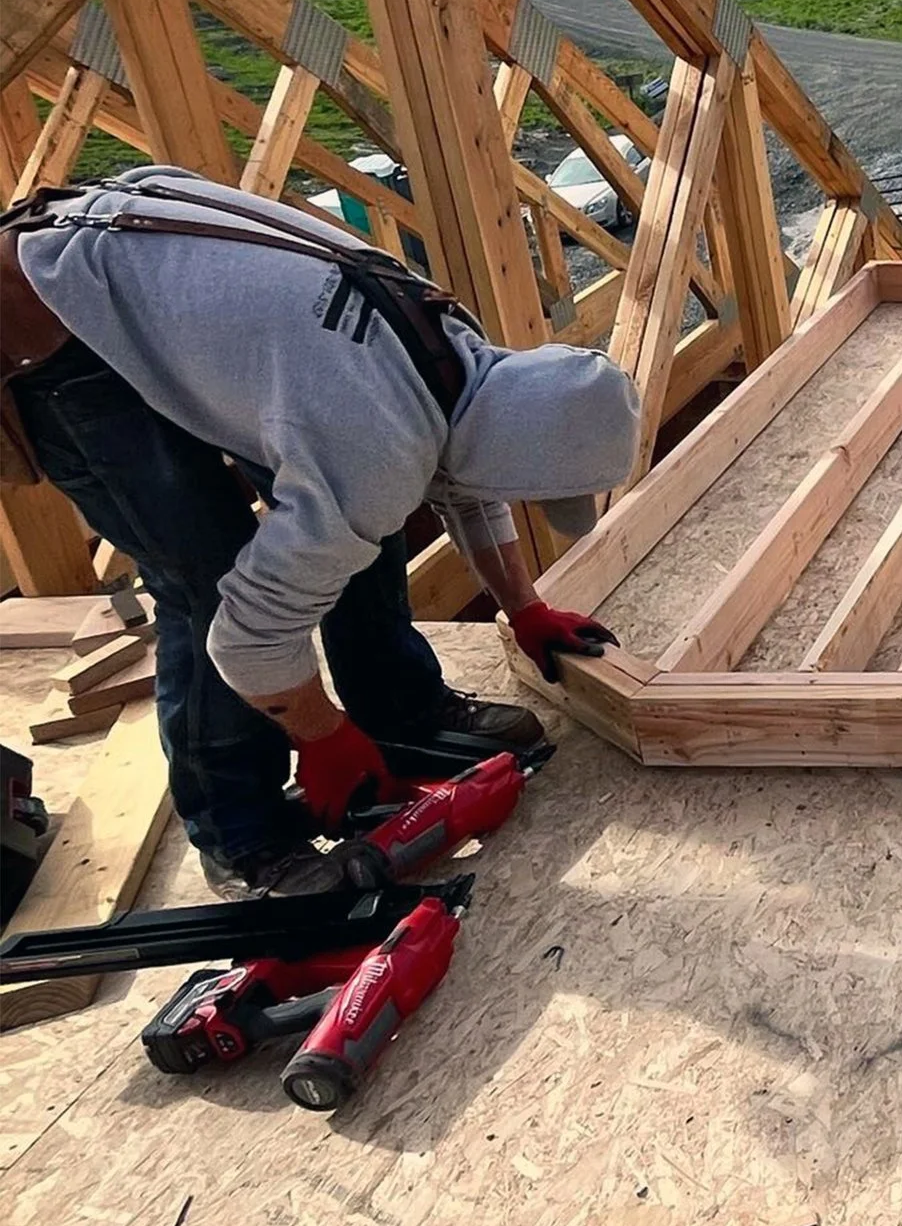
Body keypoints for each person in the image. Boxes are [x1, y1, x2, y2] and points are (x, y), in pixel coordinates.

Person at [0, 166, 637, 888]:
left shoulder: (460, 362)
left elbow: (466, 478)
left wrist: (523, 606)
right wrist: (323, 735)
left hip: (166, 294)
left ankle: (399, 712)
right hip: (55, 321)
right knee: (204, 581)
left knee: (362, 509)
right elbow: (247, 638)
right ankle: (239, 831)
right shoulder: (376, 438)